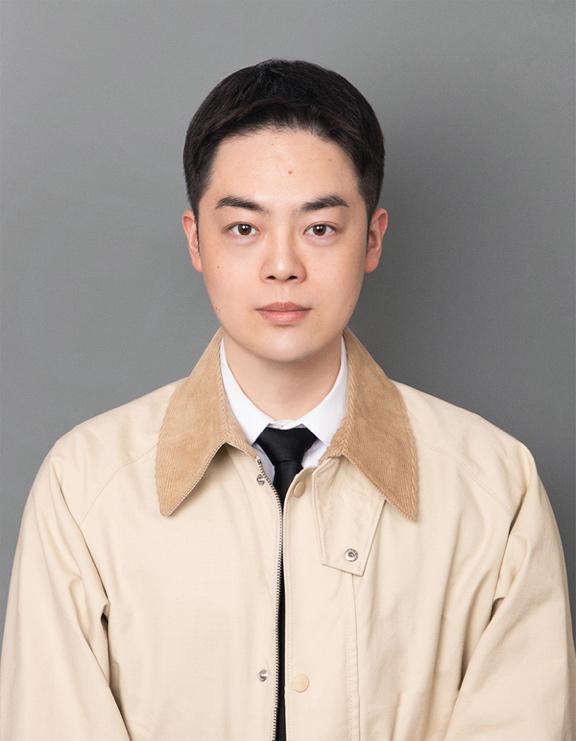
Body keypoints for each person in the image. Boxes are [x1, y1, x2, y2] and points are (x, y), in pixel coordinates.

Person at [0, 58, 574, 741]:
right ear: (195, 240)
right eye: (244, 228)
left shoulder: (495, 488)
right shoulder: (85, 486)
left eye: (319, 228)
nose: (282, 266)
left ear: (372, 238)